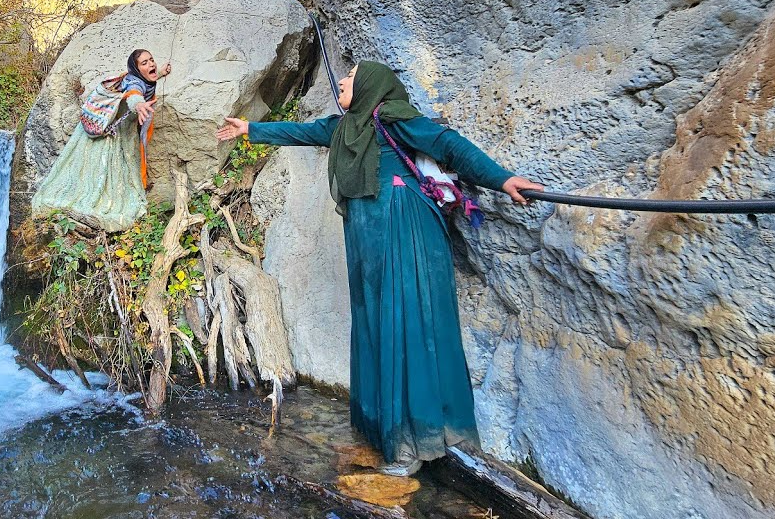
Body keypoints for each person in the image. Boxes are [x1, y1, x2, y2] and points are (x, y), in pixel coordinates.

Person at [216, 61, 543, 476]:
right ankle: (385, 434)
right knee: (376, 323)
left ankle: (417, 442)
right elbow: (302, 132)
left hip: (404, 230)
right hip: (368, 239)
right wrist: (250, 130)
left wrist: (503, 180)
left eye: (351, 76)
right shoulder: (346, 126)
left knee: (407, 323)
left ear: (372, 84)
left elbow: (450, 146)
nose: (343, 81)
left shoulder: (392, 115)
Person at [32, 49, 171, 232]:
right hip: (109, 135)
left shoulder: (142, 79)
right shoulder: (133, 82)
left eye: (151, 60)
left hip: (117, 131)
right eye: (144, 63)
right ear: (136, 69)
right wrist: (138, 105)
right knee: (101, 173)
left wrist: (160, 73)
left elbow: (144, 83)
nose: (151, 64)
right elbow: (134, 93)